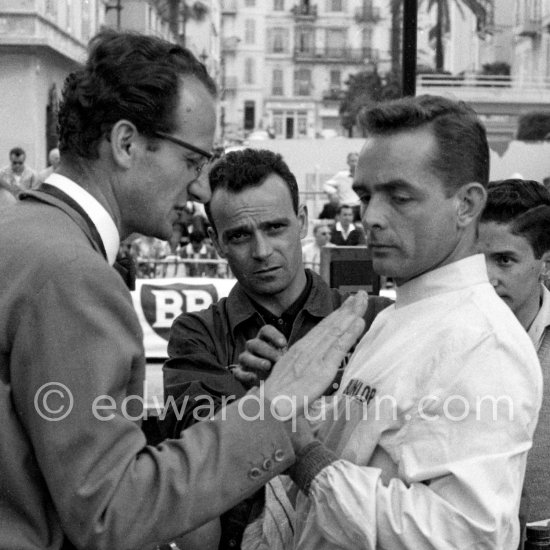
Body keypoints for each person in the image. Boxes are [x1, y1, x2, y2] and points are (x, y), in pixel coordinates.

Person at [0, 29, 369, 550]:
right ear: (127, 144)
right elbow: (110, 512)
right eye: (193, 161)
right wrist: (274, 407)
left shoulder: (22, 233)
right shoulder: (72, 272)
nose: (200, 188)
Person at [242, 95, 542, 549]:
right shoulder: (396, 316)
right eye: (365, 196)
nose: (372, 217)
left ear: (466, 205)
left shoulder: (483, 342)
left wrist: (306, 456)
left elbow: (465, 537)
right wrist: (292, 393)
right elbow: (369, 448)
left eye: (399, 197)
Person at [163, 147, 393, 548]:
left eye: (274, 228)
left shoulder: (374, 319)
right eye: (239, 235)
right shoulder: (197, 332)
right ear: (217, 243)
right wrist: (280, 395)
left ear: (302, 222)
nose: (262, 250)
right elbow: (198, 452)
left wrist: (260, 400)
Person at [477, 178, 550, 525]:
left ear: (545, 263)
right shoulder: (446, 340)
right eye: (478, 259)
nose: (487, 276)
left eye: (504, 260)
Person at [323, 151, 360, 221]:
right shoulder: (341, 175)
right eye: (352, 161)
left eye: (356, 161)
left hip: (359, 206)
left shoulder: (364, 177)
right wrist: (333, 192)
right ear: (348, 162)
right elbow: (326, 185)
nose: (354, 163)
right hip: (344, 205)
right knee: (328, 208)